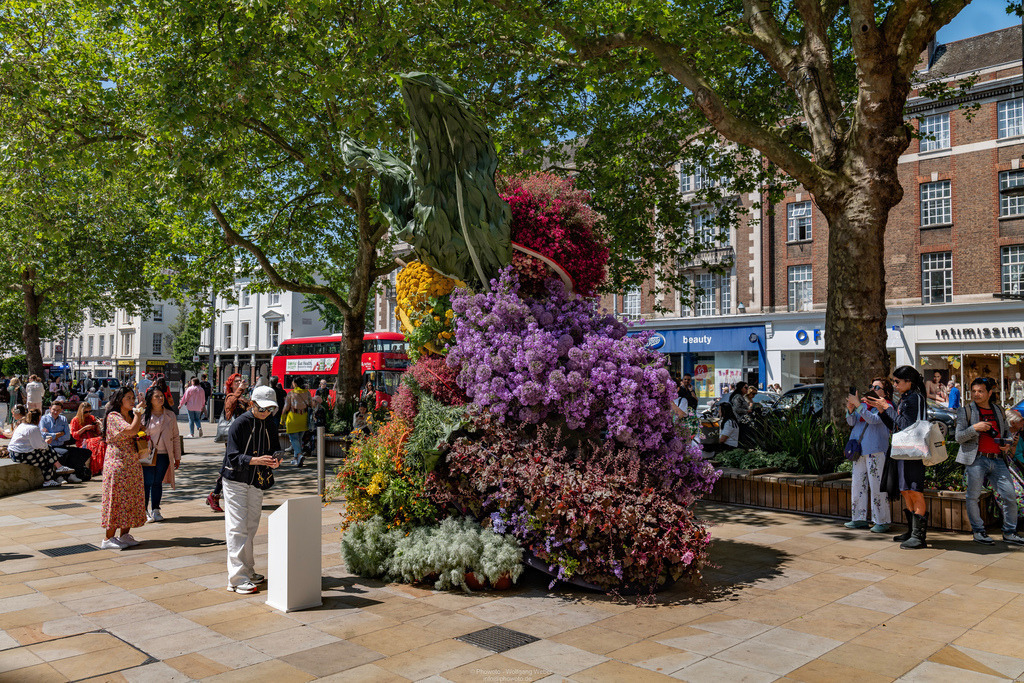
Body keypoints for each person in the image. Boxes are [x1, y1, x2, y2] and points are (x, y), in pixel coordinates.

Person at [221, 385, 281, 594]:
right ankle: (236, 579)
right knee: (237, 527)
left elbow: (275, 448)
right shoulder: (239, 423)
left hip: (257, 479)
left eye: (269, 409)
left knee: (251, 526)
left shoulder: (270, 423)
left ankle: (247, 570)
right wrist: (255, 460)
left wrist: (275, 460)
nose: (266, 413)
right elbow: (232, 457)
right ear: (252, 404)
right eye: (262, 408)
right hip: (236, 479)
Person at [955, 377, 1024, 546]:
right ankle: (978, 531)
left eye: (980, 391)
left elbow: (1007, 433)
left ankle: (1009, 532)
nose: (976, 394)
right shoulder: (966, 411)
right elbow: (958, 437)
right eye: (974, 391)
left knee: (1009, 496)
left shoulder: (999, 410)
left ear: (989, 393)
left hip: (998, 460)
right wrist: (974, 428)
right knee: (973, 497)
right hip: (976, 459)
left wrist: (1006, 444)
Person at [866, 366, 929, 549]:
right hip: (902, 450)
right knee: (905, 490)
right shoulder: (905, 398)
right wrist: (882, 410)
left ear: (909, 381)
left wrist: (887, 407)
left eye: (897, 381)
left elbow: (905, 425)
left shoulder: (915, 398)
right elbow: (894, 426)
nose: (894, 384)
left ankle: (919, 536)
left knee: (914, 490)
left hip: (912, 451)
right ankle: (912, 530)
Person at [845, 378, 895, 533]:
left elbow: (873, 420)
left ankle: (882, 521)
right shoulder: (864, 406)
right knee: (857, 484)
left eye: (877, 387)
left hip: (876, 450)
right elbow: (851, 422)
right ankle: (858, 518)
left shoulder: (888, 406)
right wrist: (850, 409)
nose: (873, 388)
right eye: (871, 386)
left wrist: (859, 406)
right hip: (858, 450)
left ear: (885, 392)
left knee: (877, 486)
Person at [100, 388, 148, 550]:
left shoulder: (128, 415)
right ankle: (108, 538)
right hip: (118, 463)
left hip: (131, 463)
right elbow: (132, 430)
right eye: (128, 397)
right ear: (119, 399)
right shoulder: (114, 417)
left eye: (133, 397)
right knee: (116, 499)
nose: (132, 400)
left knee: (131, 498)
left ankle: (125, 534)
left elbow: (140, 430)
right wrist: (139, 413)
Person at [142, 387, 181, 523]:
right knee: (147, 482)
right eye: (156, 396)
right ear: (150, 399)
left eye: (161, 396)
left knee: (157, 482)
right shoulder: (143, 415)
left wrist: (177, 456)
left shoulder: (170, 415)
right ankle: (144, 510)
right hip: (147, 454)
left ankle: (156, 509)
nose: (160, 398)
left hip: (164, 454)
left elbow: (175, 436)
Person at [6, 406, 64, 487]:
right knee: (47, 458)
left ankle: (58, 467)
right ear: (38, 419)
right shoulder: (33, 428)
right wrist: (46, 442)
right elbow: (38, 446)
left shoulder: (22, 425)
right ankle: (50, 478)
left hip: (14, 453)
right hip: (21, 455)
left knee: (46, 451)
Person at [40, 401, 90, 482]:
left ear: (61, 410)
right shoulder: (43, 419)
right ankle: (59, 476)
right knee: (63, 452)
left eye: (58, 410)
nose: (56, 412)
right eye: (54, 410)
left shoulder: (63, 419)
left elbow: (67, 436)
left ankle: (72, 474)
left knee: (85, 452)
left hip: (61, 445)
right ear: (50, 409)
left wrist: (53, 436)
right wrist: (59, 434)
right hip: (50, 447)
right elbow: (43, 435)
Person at [281, 377, 312, 466]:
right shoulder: (307, 393)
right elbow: (310, 405)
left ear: (295, 384)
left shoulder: (291, 394)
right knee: (298, 439)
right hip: (304, 419)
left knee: (294, 439)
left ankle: (299, 454)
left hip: (293, 418)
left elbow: (286, 407)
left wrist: (282, 419)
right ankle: (296, 459)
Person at [70, 402, 105, 476]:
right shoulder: (76, 420)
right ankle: (99, 468)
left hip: (93, 439)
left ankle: (101, 467)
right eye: (86, 412)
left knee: (102, 441)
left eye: (90, 411)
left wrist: (98, 425)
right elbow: (74, 435)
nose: (88, 413)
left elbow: (98, 433)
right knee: (99, 441)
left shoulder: (91, 418)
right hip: (83, 441)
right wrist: (84, 428)